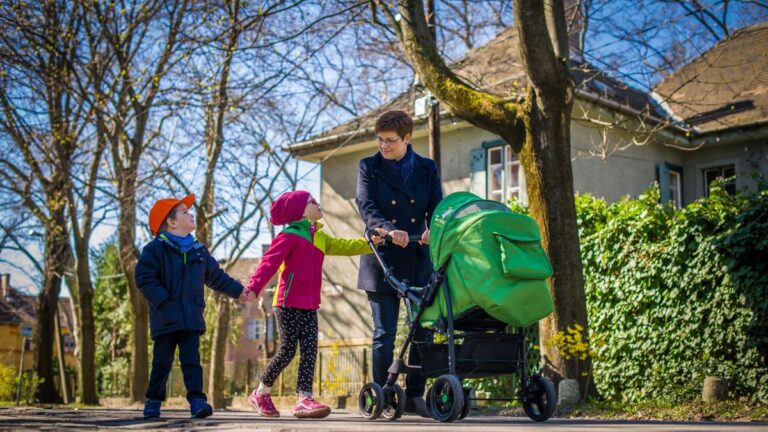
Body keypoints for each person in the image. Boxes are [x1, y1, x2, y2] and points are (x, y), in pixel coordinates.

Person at [241, 190, 384, 419]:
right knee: (288, 350)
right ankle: (261, 393)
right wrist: (254, 288)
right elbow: (268, 263)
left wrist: (370, 242)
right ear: (301, 210)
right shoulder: (288, 236)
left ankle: (304, 399)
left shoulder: (320, 237)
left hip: (310, 304)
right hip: (286, 303)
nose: (318, 204)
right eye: (313, 201)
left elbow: (345, 246)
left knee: (310, 351)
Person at [356, 110, 443, 416]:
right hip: (382, 257)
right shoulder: (369, 166)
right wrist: (388, 228)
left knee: (422, 331)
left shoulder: (427, 168)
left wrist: (435, 228)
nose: (383, 145)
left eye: (390, 140)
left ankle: (416, 394)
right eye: (379, 139)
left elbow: (437, 207)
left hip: (418, 256)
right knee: (384, 333)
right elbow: (365, 204)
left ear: (407, 138)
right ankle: (383, 392)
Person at [135, 194, 245, 419]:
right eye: (184, 212)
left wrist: (240, 291)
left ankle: (197, 401)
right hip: (165, 317)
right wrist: (164, 301)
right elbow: (145, 277)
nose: (191, 214)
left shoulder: (198, 251)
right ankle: (153, 400)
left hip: (191, 317)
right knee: (161, 362)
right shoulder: (154, 250)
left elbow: (216, 277)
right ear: (171, 222)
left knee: (192, 362)